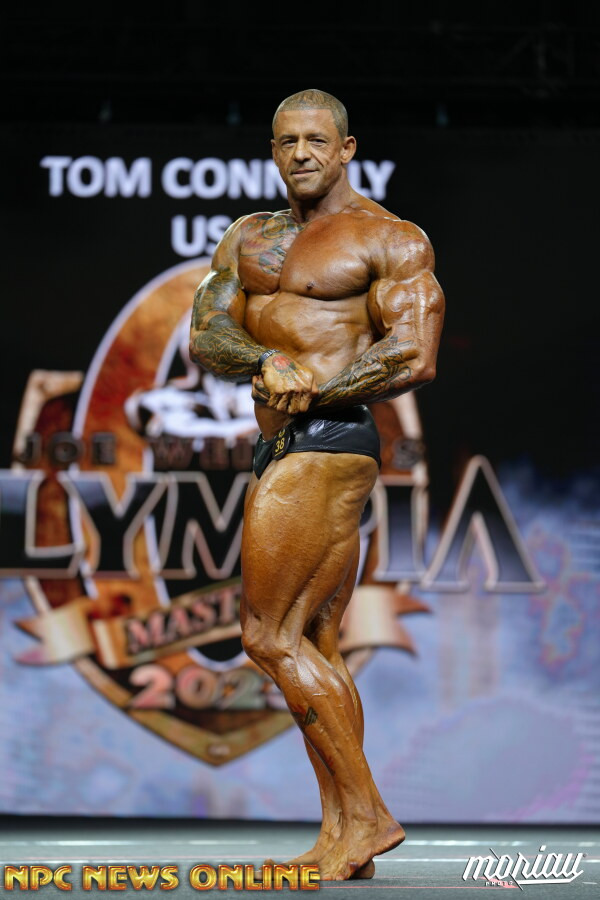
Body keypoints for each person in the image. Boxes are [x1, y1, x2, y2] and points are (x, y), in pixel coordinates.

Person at [189, 89, 445, 881]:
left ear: (346, 149)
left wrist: (318, 390)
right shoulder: (249, 237)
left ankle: (368, 815)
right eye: (286, 141)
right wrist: (265, 359)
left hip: (329, 443)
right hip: (282, 445)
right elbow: (207, 332)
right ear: (273, 151)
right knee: (315, 644)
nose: (300, 153)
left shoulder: (388, 238)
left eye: (316, 140)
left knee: (266, 637)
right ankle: (341, 838)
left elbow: (413, 352)